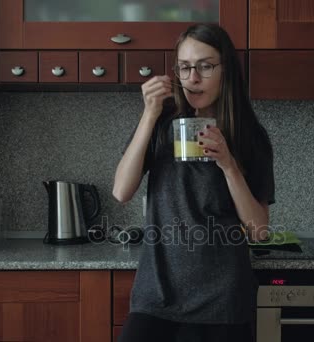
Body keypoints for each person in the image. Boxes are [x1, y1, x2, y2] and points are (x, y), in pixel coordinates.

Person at [113, 23, 275, 342]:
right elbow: (121, 191)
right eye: (185, 68)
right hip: (155, 295)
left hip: (223, 301)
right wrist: (148, 114)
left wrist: (229, 165)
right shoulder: (160, 124)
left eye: (205, 66)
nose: (193, 78)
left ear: (226, 70)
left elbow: (259, 231)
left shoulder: (250, 137)